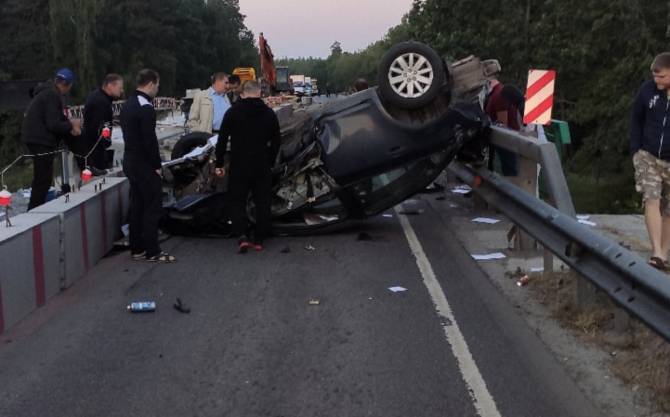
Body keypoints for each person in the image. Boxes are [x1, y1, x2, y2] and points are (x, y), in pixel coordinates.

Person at [214, 80, 281, 253]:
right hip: (261, 164)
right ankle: (259, 239)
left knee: (237, 200)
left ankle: (242, 235)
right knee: (262, 201)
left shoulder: (232, 112)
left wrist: (219, 163)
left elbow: (221, 141)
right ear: (259, 92)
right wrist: (271, 160)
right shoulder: (269, 113)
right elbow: (276, 141)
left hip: (239, 164)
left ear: (243, 93)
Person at [120, 69, 176, 263]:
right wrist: (157, 165)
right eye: (157, 85)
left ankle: (137, 248)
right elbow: (149, 140)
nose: (158, 89)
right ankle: (153, 250)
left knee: (137, 206)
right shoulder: (146, 107)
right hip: (144, 164)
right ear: (151, 83)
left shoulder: (127, 105)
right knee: (152, 207)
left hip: (130, 161)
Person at [630, 52, 670, 270]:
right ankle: (656, 251)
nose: (657, 81)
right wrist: (636, 150)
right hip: (648, 156)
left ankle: (664, 253)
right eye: (655, 77)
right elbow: (636, 118)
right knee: (651, 199)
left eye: (662, 77)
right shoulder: (647, 91)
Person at [21, 68, 82, 210]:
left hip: (35, 138)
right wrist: (71, 124)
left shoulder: (47, 93)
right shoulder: (52, 95)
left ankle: (35, 208)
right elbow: (53, 123)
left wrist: (68, 123)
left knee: (42, 178)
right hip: (40, 140)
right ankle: (34, 211)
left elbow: (57, 118)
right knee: (43, 179)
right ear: (67, 84)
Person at [78, 74, 124, 174]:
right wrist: (106, 142)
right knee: (98, 179)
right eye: (120, 88)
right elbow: (100, 127)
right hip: (94, 151)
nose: (121, 91)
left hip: (93, 148)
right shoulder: (101, 101)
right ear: (110, 86)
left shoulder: (100, 97)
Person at [483, 67, 520, 176]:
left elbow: (503, 122)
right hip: (503, 137)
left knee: (509, 168)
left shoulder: (498, 95)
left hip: (506, 138)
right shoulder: (495, 93)